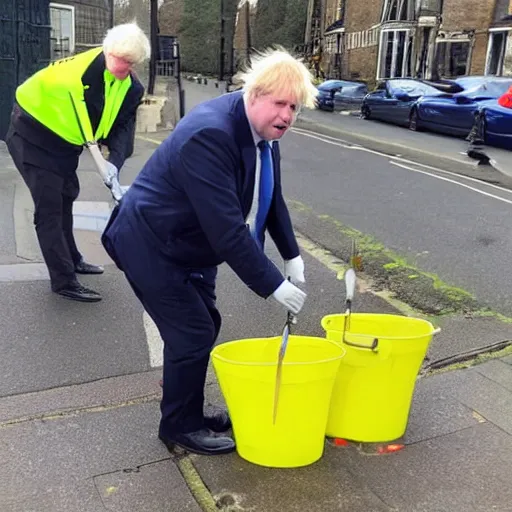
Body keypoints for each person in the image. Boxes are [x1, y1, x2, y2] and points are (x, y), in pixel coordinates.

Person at [101, 48, 318, 456]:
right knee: (193, 331)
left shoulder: (262, 133)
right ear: (254, 94)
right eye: (280, 104)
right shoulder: (211, 134)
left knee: (203, 325)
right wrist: (273, 285)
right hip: (150, 242)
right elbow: (226, 231)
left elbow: (271, 198)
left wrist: (292, 255)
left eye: (294, 107)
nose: (287, 116)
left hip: (187, 243)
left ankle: (191, 411)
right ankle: (179, 426)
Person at [6, 23, 150, 302]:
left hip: (64, 140)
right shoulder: (76, 77)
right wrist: (101, 163)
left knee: (67, 195)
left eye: (129, 63)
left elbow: (123, 128)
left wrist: (115, 165)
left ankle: (73, 259)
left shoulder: (132, 88)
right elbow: (88, 133)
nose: (122, 67)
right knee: (49, 206)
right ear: (106, 51)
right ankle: (63, 280)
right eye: (118, 59)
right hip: (31, 134)